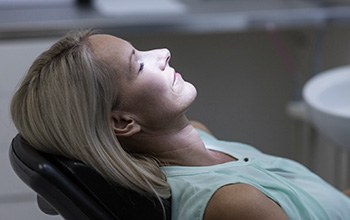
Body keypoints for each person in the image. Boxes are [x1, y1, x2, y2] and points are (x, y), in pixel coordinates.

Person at [10, 30, 350, 220]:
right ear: (123, 122)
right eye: (140, 66)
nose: (163, 51)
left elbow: (320, 204)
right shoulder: (233, 204)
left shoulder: (203, 140)